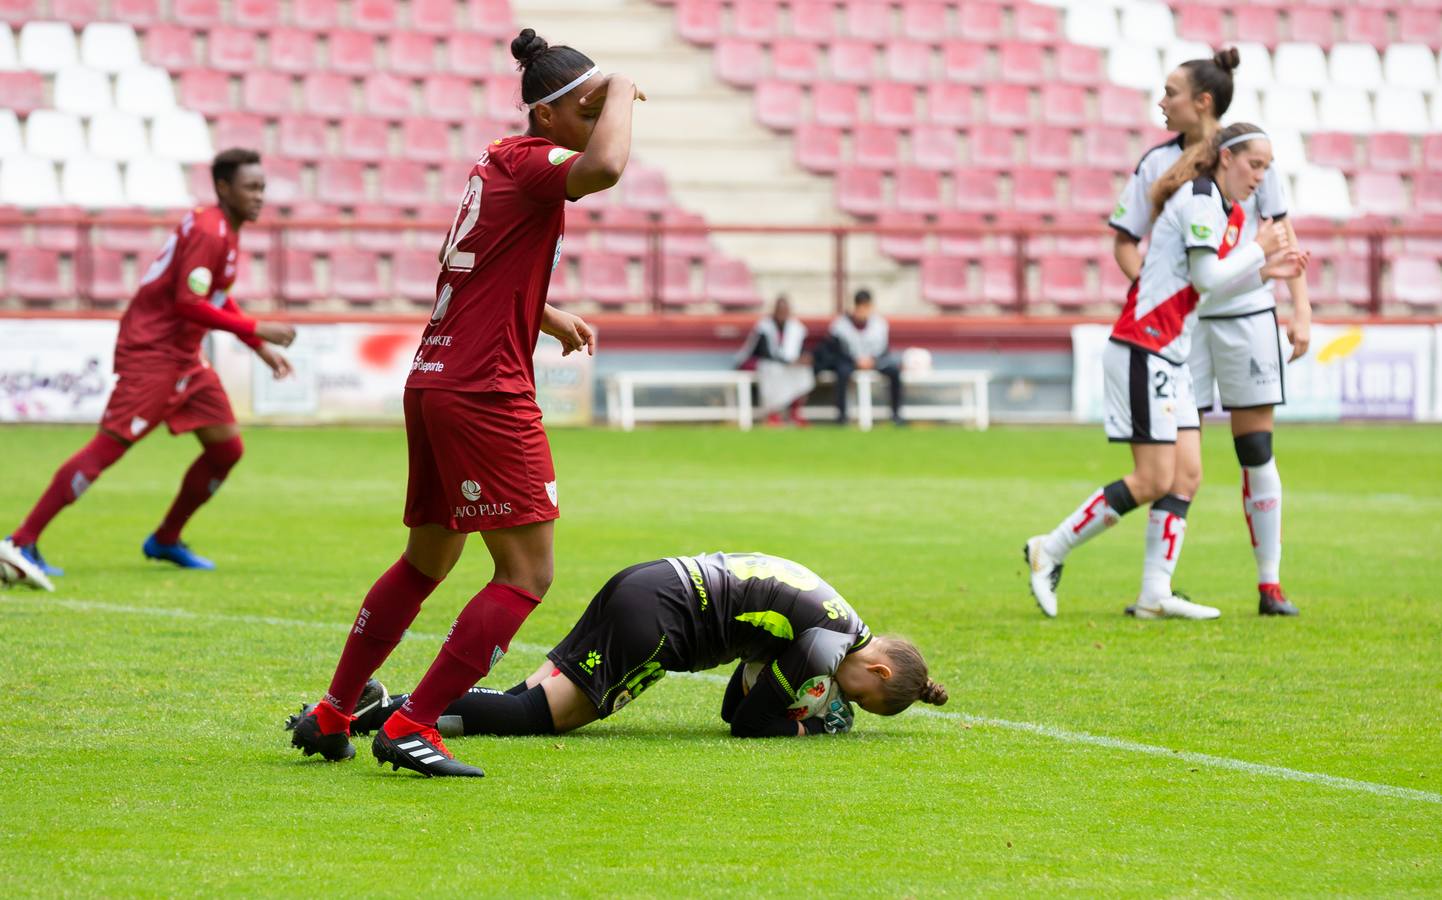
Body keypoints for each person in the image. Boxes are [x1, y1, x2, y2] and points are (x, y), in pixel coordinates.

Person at [288, 28, 643, 778]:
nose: (595, 120)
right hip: (485, 389)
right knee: (527, 575)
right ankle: (414, 722)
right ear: (547, 118)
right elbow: (607, 166)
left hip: (436, 377)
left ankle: (332, 711)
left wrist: (542, 312)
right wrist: (621, 89)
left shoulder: (498, 159)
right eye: (584, 109)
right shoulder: (543, 160)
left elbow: (476, 258)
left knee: (428, 559)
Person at [1025, 123, 1303, 620]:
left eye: (1267, 167)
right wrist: (1259, 250)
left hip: (1171, 353)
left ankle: (1155, 592)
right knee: (1153, 478)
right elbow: (1205, 276)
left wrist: (1264, 273)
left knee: (1186, 474)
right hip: (1143, 346)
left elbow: (1207, 289)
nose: (1262, 177)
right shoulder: (1200, 200)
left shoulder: (1226, 210)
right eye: (1254, 164)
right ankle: (1051, 546)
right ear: (1225, 158)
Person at [287, 553, 947, 758]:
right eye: (855, 693)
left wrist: (788, 701)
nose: (840, 693)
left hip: (650, 583)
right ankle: (392, 711)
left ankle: (371, 708)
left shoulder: (834, 623)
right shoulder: (827, 646)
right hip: (661, 619)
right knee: (548, 718)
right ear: (877, 667)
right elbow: (749, 726)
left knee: (525, 700)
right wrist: (805, 722)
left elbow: (731, 704)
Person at [0, 148, 295, 589]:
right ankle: (21, 542)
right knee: (108, 449)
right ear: (223, 188)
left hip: (185, 357)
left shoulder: (222, 231)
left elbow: (213, 295)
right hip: (153, 354)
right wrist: (257, 327)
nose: (259, 197)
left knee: (226, 450)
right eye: (250, 188)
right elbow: (188, 301)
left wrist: (256, 345)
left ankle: (166, 538)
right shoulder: (211, 233)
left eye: (262, 188)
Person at [1110, 48, 1311, 617]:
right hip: (1188, 329)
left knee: (1255, 446)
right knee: (1179, 460)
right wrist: (1158, 297)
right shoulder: (1155, 163)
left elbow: (1281, 233)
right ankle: (1157, 587)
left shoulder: (1251, 153)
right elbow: (1126, 240)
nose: (1161, 100)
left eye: (1170, 91)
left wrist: (1301, 308)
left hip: (1247, 316)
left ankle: (1270, 584)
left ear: (1202, 99)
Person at [816, 289, 904, 425]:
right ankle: (842, 416)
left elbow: (883, 350)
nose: (863, 311)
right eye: (860, 306)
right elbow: (836, 349)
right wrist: (855, 361)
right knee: (842, 372)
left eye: (866, 306)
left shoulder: (879, 324)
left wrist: (872, 361)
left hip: (874, 361)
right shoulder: (840, 325)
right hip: (850, 361)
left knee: (894, 371)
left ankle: (896, 414)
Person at [735, 294, 813, 426]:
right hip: (759, 361)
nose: (782, 314)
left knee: (802, 371)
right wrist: (788, 362)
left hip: (787, 364)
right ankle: (772, 412)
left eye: (785, 310)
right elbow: (764, 353)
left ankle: (795, 413)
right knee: (772, 370)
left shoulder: (796, 328)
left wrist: (803, 358)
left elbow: (800, 350)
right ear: (775, 311)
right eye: (780, 310)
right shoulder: (764, 327)